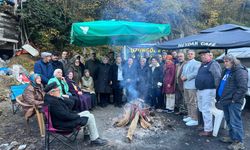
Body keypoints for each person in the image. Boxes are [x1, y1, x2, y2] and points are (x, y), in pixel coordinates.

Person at [43, 82, 107, 146]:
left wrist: (62, 98)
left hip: (62, 120)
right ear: (51, 93)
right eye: (58, 90)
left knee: (87, 112)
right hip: (62, 124)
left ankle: (87, 135)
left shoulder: (52, 99)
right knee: (90, 117)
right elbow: (64, 115)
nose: (60, 91)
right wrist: (76, 116)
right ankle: (94, 139)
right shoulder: (53, 102)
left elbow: (69, 106)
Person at [216, 54, 248, 150]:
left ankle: (239, 142)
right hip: (225, 100)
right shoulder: (227, 70)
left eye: (226, 61)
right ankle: (232, 137)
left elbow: (243, 88)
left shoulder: (240, 71)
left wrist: (234, 99)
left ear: (232, 61)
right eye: (224, 61)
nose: (225, 63)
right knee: (229, 120)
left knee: (235, 121)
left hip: (233, 102)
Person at [195, 50, 222, 136]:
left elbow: (217, 77)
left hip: (209, 90)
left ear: (210, 56)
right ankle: (206, 125)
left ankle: (208, 130)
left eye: (204, 55)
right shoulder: (202, 65)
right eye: (201, 55)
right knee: (202, 108)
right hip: (201, 90)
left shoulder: (213, 64)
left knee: (207, 109)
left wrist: (215, 90)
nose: (202, 56)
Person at [181, 50, 200, 126]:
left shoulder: (197, 63)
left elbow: (195, 73)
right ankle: (190, 116)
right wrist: (182, 76)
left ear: (194, 55)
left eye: (191, 54)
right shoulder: (185, 64)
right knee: (188, 102)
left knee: (193, 102)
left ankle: (195, 119)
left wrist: (186, 77)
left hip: (192, 86)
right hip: (185, 85)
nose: (190, 55)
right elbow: (183, 72)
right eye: (188, 54)